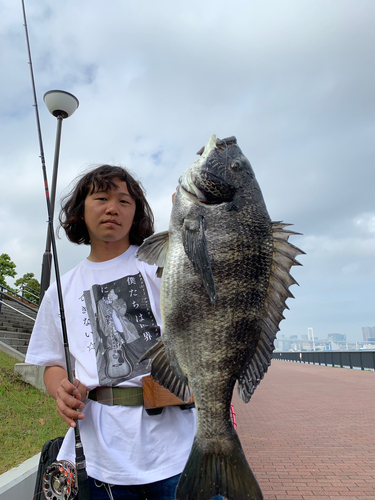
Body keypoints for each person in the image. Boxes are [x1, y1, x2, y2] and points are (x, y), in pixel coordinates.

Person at [25, 165, 197, 500]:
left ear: (137, 213)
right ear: (81, 211)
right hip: (100, 456)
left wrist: (192, 227)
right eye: (101, 198)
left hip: (180, 449)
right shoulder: (61, 290)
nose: (112, 208)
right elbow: (52, 363)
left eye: (124, 201)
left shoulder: (162, 265)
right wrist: (60, 388)